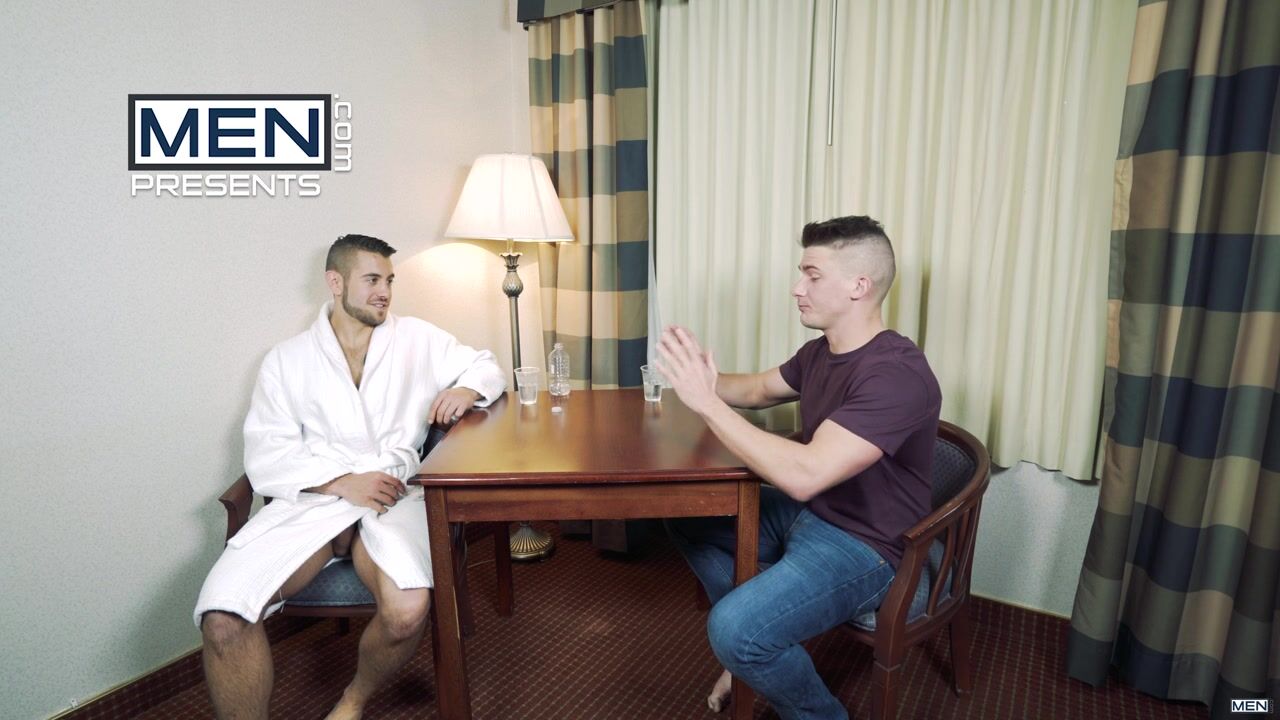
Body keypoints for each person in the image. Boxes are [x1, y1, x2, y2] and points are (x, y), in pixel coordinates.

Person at [194, 234, 506, 720]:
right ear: (335, 282)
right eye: (372, 280)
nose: (384, 292)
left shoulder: (417, 339)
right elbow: (266, 452)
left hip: (394, 496)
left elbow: (485, 365)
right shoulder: (287, 360)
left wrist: (467, 389)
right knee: (222, 619)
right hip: (314, 501)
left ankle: (352, 701)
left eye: (389, 281)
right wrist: (341, 481)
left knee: (406, 612)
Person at [658, 215, 942, 719]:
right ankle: (756, 649)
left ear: (859, 286)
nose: (797, 288)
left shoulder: (897, 375)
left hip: (869, 547)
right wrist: (702, 378)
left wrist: (706, 404)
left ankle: (774, 670)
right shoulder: (819, 354)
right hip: (813, 514)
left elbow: (804, 475)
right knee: (687, 512)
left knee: (734, 630)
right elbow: (755, 390)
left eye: (812, 275)